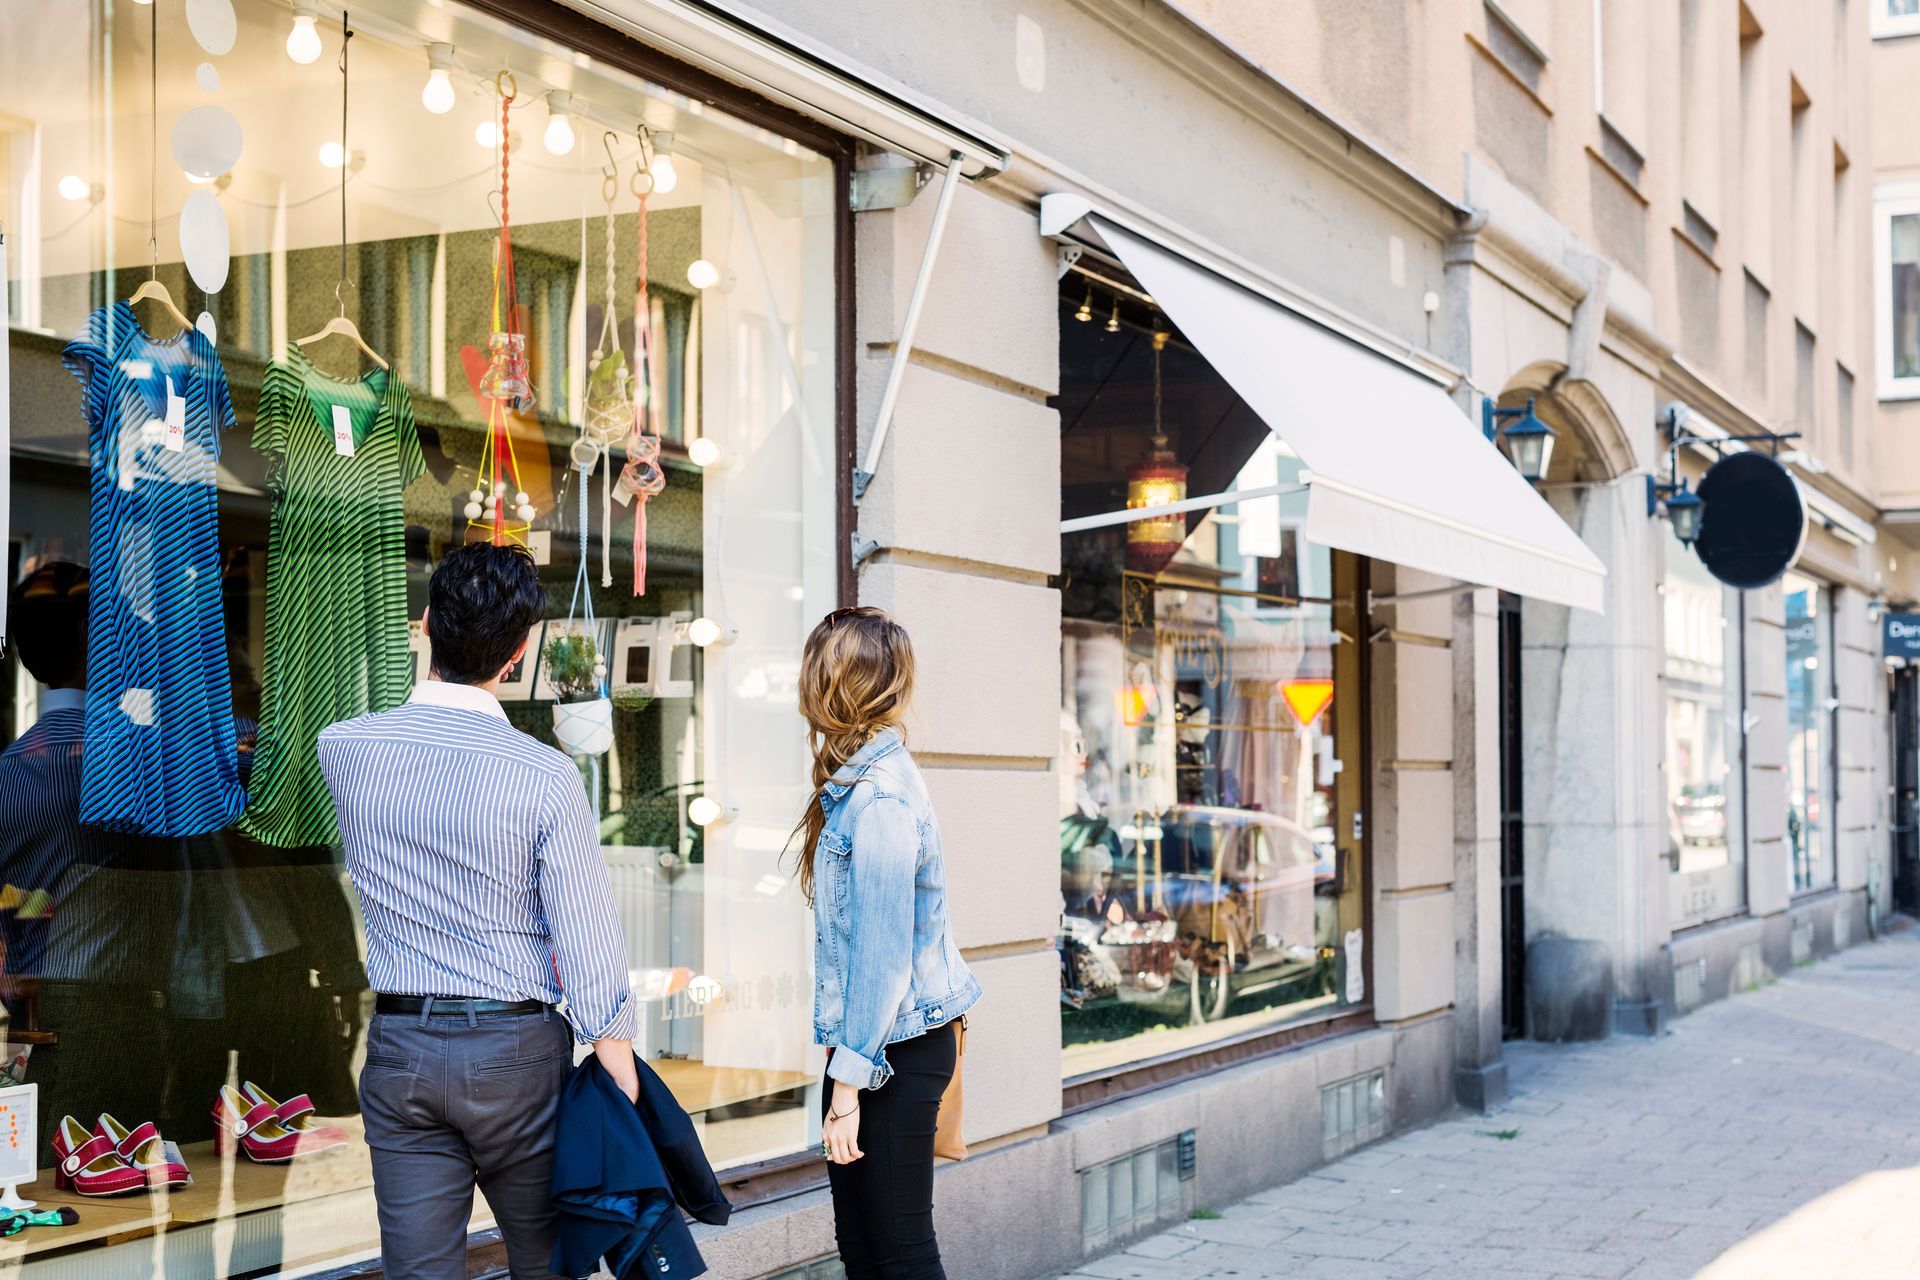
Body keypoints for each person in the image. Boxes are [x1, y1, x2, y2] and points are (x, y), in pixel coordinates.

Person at [319, 543, 637, 1280]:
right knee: (548, 1263)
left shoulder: (343, 749)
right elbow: (587, 935)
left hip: (401, 1046)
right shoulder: (547, 775)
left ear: (424, 624)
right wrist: (617, 1067)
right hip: (517, 1053)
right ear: (518, 655)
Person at [792, 606, 981, 1280]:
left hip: (890, 1051)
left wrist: (846, 1089)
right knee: (867, 1248)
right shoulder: (859, 784)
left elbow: (881, 961)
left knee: (896, 1251)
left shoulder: (878, 801)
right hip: (870, 1050)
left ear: (828, 687)